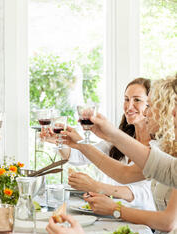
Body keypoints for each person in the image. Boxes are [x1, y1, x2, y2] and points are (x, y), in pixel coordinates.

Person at [46, 76, 177, 234]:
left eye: (150, 105)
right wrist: (106, 133)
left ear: (171, 112)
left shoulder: (164, 148)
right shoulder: (168, 154)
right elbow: (127, 172)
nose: (147, 112)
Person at [42, 78, 155, 211]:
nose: (129, 106)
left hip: (140, 219)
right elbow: (77, 156)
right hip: (109, 214)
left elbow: (143, 192)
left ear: (152, 105)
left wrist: (94, 185)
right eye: (126, 99)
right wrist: (60, 140)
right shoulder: (121, 140)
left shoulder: (159, 147)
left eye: (137, 100)